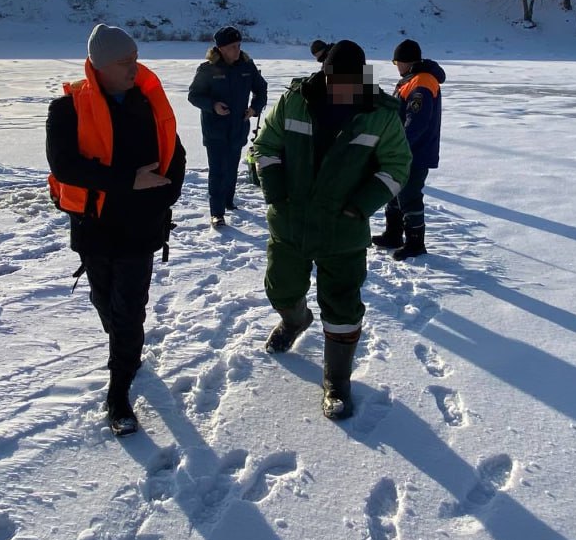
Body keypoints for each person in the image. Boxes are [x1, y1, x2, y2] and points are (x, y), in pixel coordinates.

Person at [254, 40, 412, 419]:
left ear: (361, 79)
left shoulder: (379, 114)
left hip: (343, 230)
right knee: (280, 289)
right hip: (290, 222)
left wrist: (360, 206)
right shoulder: (295, 100)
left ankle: (337, 381)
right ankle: (295, 320)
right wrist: (275, 192)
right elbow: (265, 145)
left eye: (348, 82)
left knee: (342, 307)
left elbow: (397, 166)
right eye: (332, 79)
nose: (339, 88)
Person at [46, 23, 186, 436]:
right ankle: (126, 346)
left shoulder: (147, 102)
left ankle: (119, 393)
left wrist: (164, 196)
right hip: (94, 227)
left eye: (135, 59)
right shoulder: (66, 110)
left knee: (129, 310)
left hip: (141, 226)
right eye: (125, 62)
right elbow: (65, 167)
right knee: (104, 299)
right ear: (100, 66)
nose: (134, 68)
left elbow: (176, 153)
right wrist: (128, 181)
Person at [372, 39, 445, 260]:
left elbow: (416, 122)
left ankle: (415, 243)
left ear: (406, 61)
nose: (396, 67)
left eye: (397, 62)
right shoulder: (411, 80)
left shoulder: (422, 82)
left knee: (409, 195)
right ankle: (393, 234)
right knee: (394, 190)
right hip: (403, 150)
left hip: (415, 152)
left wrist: (398, 145)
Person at [187, 26, 268, 228]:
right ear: (221, 48)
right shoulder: (208, 69)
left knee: (232, 168)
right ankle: (217, 213)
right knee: (217, 170)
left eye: (239, 45)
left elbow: (261, 89)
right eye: (232, 47)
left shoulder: (247, 67)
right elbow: (194, 95)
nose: (237, 50)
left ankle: (228, 201)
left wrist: (254, 108)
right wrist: (213, 106)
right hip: (215, 129)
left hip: (238, 128)